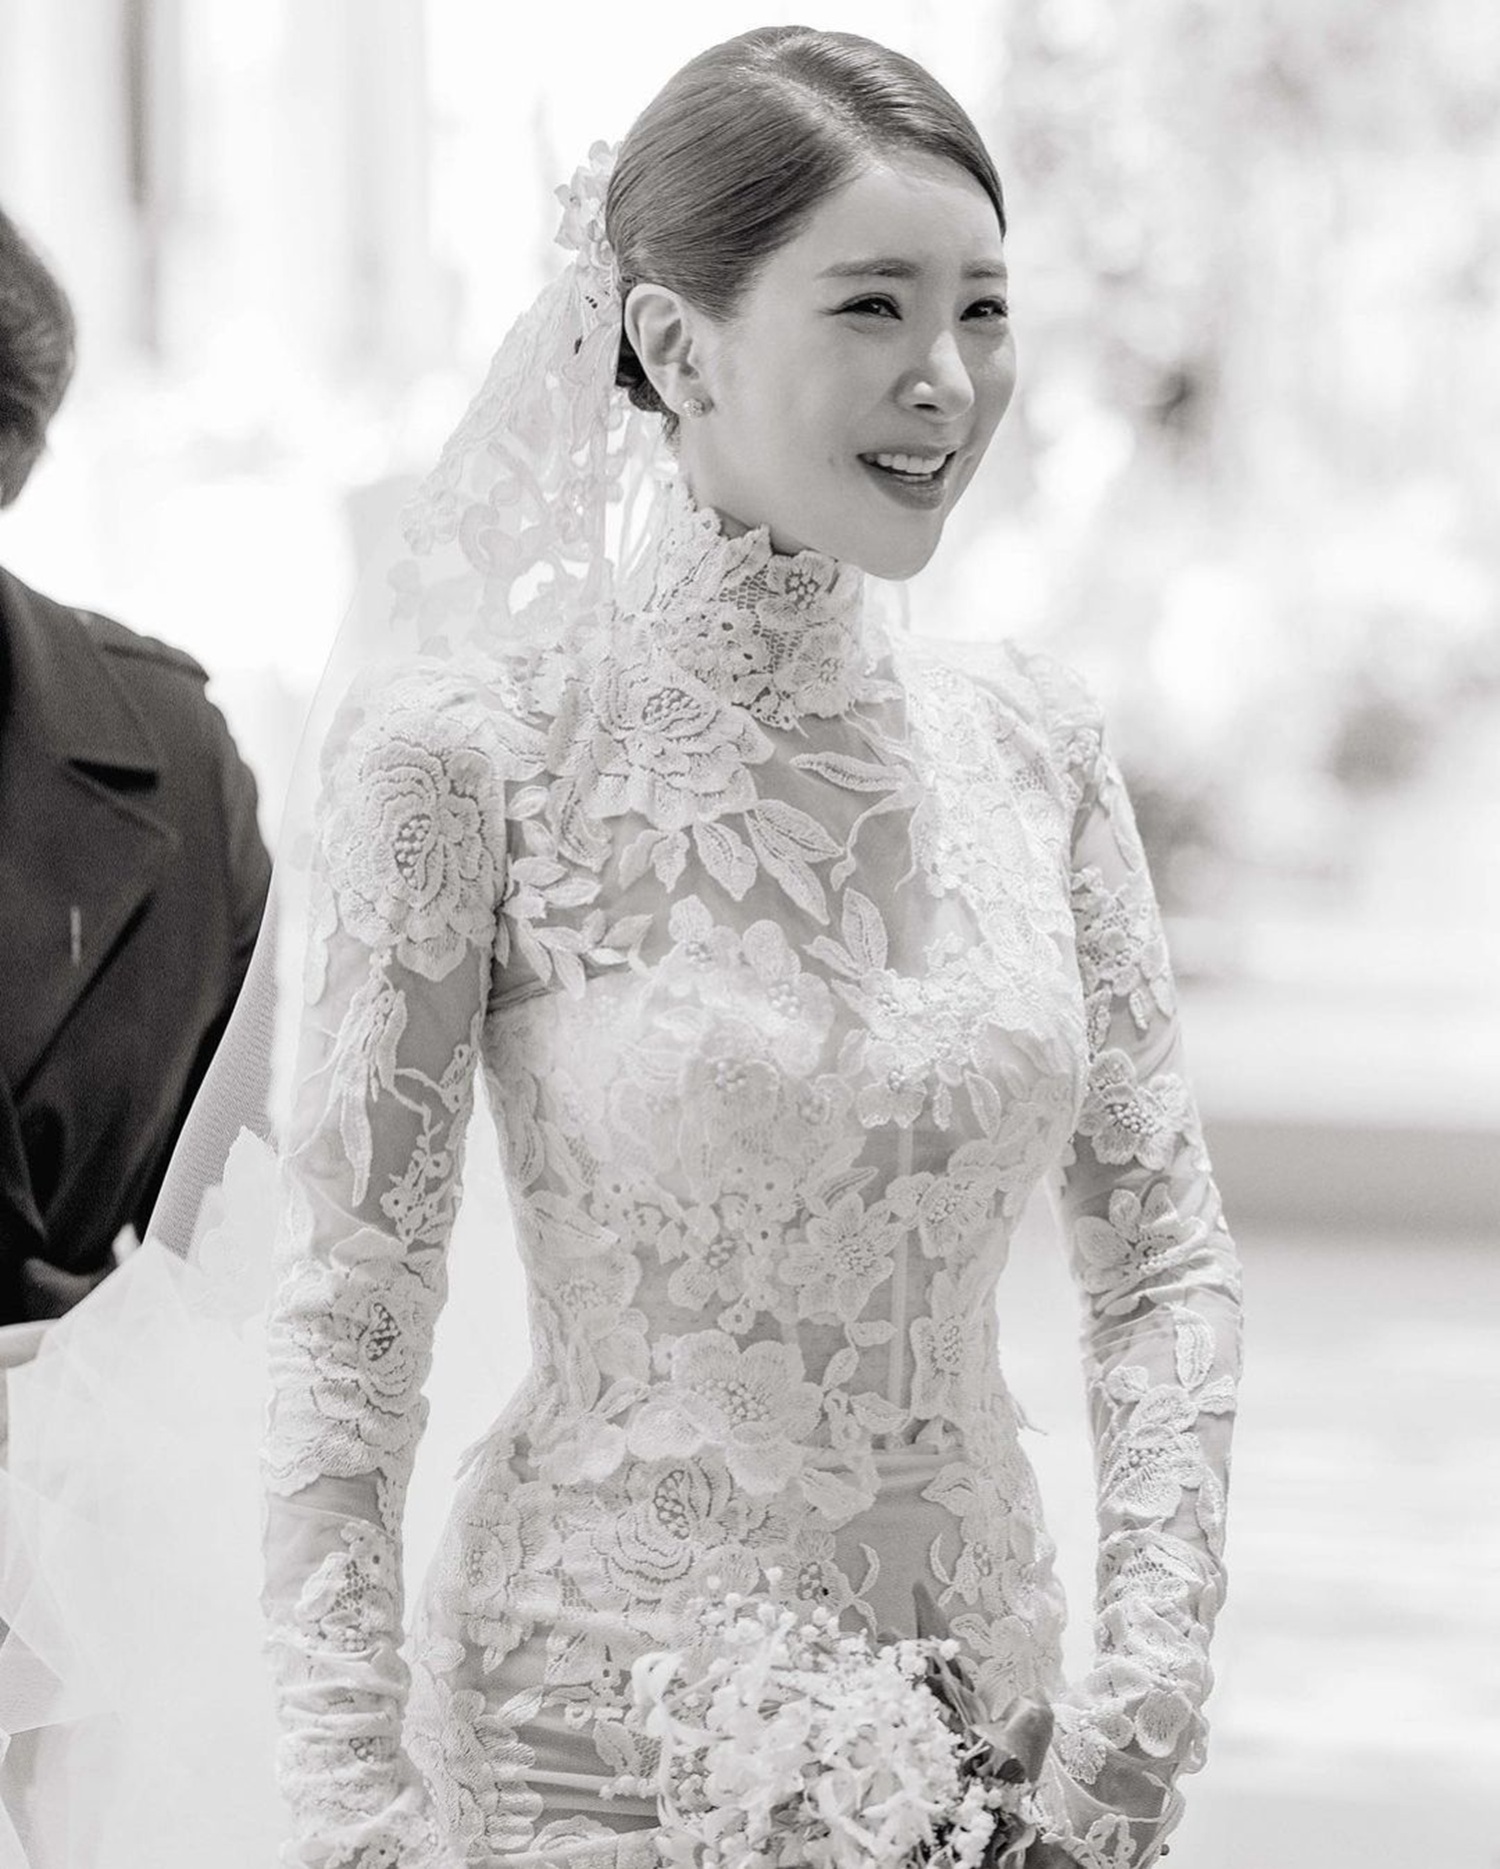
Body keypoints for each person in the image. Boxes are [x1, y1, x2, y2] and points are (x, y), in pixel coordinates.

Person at [0, 27, 1241, 1869]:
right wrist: (354, 1807)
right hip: (575, 1736)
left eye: (984, 309)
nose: (947, 378)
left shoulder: (1035, 744)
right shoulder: (473, 752)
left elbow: (1163, 1265)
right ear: (677, 343)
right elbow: (349, 1316)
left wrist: (1138, 1717)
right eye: (875, 306)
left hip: (992, 1715)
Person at [0, 204, 272, 1325]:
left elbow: (259, 1225)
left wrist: (99, 1363)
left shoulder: (172, 755)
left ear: (12, 453)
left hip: (112, 1430)